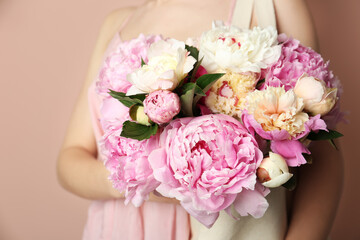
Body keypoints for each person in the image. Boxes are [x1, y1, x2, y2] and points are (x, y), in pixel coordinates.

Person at [57, 0, 343, 239]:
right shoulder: (117, 23)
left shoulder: (272, 6)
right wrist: (135, 181)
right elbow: (70, 159)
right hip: (119, 228)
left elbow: (322, 158)